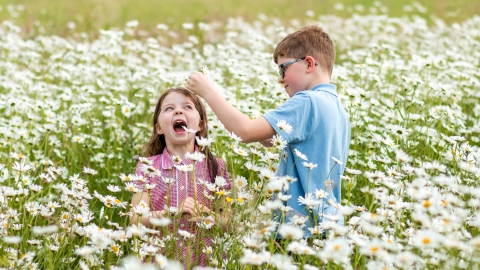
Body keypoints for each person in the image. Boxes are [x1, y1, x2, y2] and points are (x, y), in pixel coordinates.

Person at [186, 25, 350, 236]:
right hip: (328, 226)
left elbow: (244, 132)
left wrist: (208, 91)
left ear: (309, 63)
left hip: (298, 229)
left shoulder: (306, 101)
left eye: (284, 69)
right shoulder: (338, 108)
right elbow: (303, 147)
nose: (280, 79)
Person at [130, 87, 231, 268]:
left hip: (205, 261)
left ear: (200, 125)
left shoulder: (216, 166)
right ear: (159, 128)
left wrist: (205, 213)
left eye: (187, 107)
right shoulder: (148, 166)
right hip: (159, 261)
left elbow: (229, 224)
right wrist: (173, 213)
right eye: (169, 108)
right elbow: (136, 218)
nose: (178, 110)